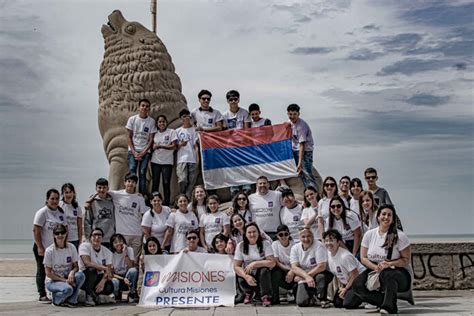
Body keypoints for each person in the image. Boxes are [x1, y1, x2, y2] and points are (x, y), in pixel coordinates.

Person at [352, 205, 412, 314]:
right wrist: (376, 267)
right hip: (375, 268)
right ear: (378, 217)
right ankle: (384, 301)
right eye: (383, 214)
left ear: (393, 219)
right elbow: (363, 257)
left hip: (398, 272)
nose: (386, 217)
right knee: (357, 285)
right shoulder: (369, 235)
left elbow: (406, 260)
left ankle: (388, 307)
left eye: (390, 215)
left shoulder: (400, 236)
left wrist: (390, 264)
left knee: (388, 274)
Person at [33, 188, 67, 302]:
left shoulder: (61, 213)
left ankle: (56, 291)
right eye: (52, 198)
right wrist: (40, 247)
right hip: (43, 247)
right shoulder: (42, 212)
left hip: (56, 248)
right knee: (42, 270)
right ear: (47, 199)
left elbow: (65, 229)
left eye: (57, 198)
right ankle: (42, 294)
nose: (55, 201)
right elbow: (36, 230)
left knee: (55, 270)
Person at [290, 226, 333, 308]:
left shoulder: (319, 246)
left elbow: (321, 266)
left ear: (313, 236)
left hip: (319, 273)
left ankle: (321, 298)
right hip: (304, 275)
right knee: (301, 302)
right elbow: (294, 267)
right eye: (303, 236)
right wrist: (306, 276)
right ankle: (310, 296)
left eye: (308, 236)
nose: (306, 239)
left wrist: (307, 276)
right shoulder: (295, 248)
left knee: (321, 277)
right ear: (299, 237)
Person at [109, 173, 148, 262]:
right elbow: (101, 191)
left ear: (135, 184)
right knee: (123, 260)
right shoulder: (116, 194)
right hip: (122, 234)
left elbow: (144, 214)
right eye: (129, 181)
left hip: (136, 234)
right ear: (125, 182)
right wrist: (89, 201)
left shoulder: (139, 198)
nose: (130, 184)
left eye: (133, 182)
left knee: (134, 261)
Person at [234, 223, 275, 307]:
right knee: (240, 274)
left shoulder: (265, 243)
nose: (252, 234)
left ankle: (265, 296)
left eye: (254, 232)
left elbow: (272, 262)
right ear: (245, 234)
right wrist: (246, 276)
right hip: (249, 273)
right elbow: (236, 266)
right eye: (249, 232)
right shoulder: (241, 246)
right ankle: (248, 293)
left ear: (258, 233)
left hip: (262, 274)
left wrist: (255, 264)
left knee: (264, 270)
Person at [44, 224, 85, 307]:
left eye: (62, 233)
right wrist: (64, 280)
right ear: (54, 235)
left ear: (66, 234)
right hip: (53, 281)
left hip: (67, 277)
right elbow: (48, 273)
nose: (60, 235)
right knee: (68, 289)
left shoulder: (71, 247)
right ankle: (56, 299)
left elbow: (76, 266)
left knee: (81, 275)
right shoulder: (49, 251)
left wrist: (72, 273)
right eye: (57, 233)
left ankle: (72, 300)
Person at [323, 229, 365, 309]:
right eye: (326, 240)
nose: (328, 243)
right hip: (348, 282)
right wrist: (341, 288)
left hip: (359, 281)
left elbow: (355, 274)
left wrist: (345, 289)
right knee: (337, 303)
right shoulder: (328, 254)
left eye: (331, 240)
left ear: (338, 242)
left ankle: (364, 296)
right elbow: (338, 274)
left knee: (348, 303)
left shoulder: (345, 256)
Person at [222, 90, 252, 197]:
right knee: (232, 168)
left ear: (238, 100)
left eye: (235, 99)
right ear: (227, 101)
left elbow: (247, 130)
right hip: (230, 147)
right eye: (231, 99)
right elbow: (224, 132)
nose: (233, 101)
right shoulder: (224, 115)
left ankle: (246, 187)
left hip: (243, 145)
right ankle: (234, 188)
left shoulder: (244, 113)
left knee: (245, 166)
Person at [126, 98, 157, 194]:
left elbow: (151, 139)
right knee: (132, 171)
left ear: (149, 108)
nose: (145, 108)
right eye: (143, 106)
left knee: (143, 172)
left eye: (147, 106)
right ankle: (131, 193)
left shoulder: (151, 121)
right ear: (139, 107)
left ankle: (142, 195)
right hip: (133, 150)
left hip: (145, 151)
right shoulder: (132, 119)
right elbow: (129, 137)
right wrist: (134, 151)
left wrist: (144, 151)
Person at [287, 103, 319, 191]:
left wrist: (300, 162)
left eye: (294, 114)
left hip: (305, 151)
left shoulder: (302, 126)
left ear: (298, 114)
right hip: (294, 150)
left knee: (307, 174)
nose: (292, 116)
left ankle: (313, 194)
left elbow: (302, 145)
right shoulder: (288, 123)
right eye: (290, 114)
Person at [79, 228, 114, 306]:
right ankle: (89, 296)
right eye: (94, 235)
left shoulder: (107, 252)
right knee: (92, 270)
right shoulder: (84, 246)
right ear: (90, 237)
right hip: (85, 276)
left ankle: (93, 295)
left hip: (99, 277)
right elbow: (87, 263)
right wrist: (103, 268)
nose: (97, 237)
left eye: (99, 235)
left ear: (102, 238)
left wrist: (103, 281)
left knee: (110, 287)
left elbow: (109, 271)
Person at [150, 114, 177, 206]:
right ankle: (153, 202)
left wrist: (161, 146)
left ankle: (166, 203)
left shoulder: (171, 132)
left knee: (166, 183)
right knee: (155, 183)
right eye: (159, 122)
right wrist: (153, 147)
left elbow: (174, 146)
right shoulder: (155, 134)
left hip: (167, 162)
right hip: (155, 161)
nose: (161, 123)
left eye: (163, 121)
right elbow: (151, 146)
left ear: (166, 122)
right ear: (157, 124)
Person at [84, 178, 115, 249]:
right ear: (96, 188)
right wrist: (88, 238)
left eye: (104, 187)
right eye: (99, 187)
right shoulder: (92, 203)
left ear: (108, 188)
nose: (102, 190)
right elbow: (87, 221)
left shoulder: (112, 201)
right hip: (96, 238)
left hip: (110, 238)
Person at [176, 109, 200, 199]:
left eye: (187, 116)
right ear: (181, 119)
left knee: (192, 182)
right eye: (184, 117)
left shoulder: (194, 130)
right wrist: (180, 144)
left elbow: (196, 146)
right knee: (182, 180)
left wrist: (198, 159)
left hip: (192, 158)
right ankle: (182, 196)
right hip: (181, 159)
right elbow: (175, 146)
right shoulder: (177, 131)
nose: (186, 118)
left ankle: (188, 199)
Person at [270, 225, 296, 305]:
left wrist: (292, 271)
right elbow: (276, 262)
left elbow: (297, 262)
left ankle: (296, 295)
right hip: (282, 270)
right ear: (277, 236)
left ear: (289, 234)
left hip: (294, 271)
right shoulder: (275, 244)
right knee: (275, 272)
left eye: (286, 234)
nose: (283, 236)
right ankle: (275, 297)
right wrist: (288, 270)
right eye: (281, 234)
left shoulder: (294, 244)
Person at [110, 233, 139, 303]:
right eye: (115, 242)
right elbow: (111, 273)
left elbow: (131, 266)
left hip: (127, 275)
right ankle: (117, 294)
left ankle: (132, 293)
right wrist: (123, 279)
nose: (118, 244)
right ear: (112, 244)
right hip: (117, 277)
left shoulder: (129, 250)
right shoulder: (110, 254)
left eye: (120, 241)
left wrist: (125, 254)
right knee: (114, 281)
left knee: (133, 271)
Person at [60, 183, 83, 249]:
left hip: (74, 239)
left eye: (70, 192)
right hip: (62, 238)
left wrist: (80, 240)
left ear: (73, 193)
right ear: (62, 194)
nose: (68, 195)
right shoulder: (59, 205)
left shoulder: (77, 207)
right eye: (66, 192)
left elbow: (79, 226)